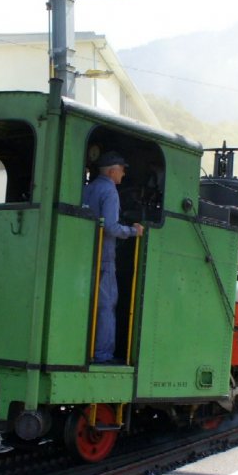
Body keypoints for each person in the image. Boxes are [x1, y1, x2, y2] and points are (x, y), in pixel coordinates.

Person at [83, 151, 145, 364]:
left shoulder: (88, 188)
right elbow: (110, 227)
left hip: (84, 254)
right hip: (104, 257)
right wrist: (133, 231)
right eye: (122, 168)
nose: (124, 173)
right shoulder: (109, 191)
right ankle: (103, 355)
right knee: (107, 305)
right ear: (112, 171)